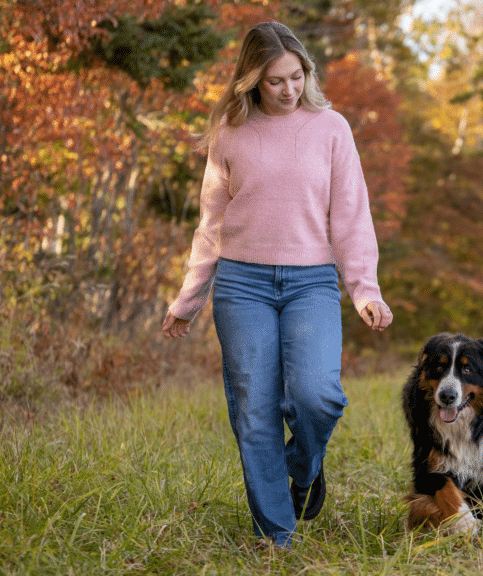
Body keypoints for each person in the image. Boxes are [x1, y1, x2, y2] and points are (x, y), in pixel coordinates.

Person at [161, 21, 392, 548]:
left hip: (311, 283)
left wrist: (365, 289)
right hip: (242, 286)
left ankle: (303, 468)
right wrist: (188, 299)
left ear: (306, 72)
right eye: (275, 81)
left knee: (318, 397)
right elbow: (211, 225)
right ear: (251, 83)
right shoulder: (230, 133)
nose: (289, 90)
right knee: (255, 410)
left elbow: (351, 216)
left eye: (297, 76)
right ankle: (277, 536)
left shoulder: (331, 128)